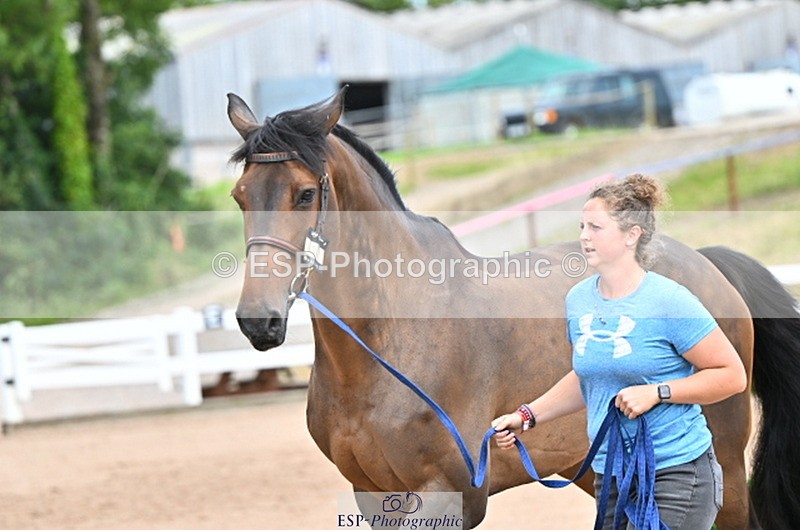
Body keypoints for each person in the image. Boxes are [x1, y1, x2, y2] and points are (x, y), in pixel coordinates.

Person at [492, 173, 747, 529]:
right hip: (611, 475)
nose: (583, 236)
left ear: (631, 234)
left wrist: (658, 392)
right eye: (582, 226)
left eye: (596, 227)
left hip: (676, 474)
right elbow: (588, 373)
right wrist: (526, 416)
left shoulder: (669, 300)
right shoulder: (578, 300)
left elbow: (731, 375)